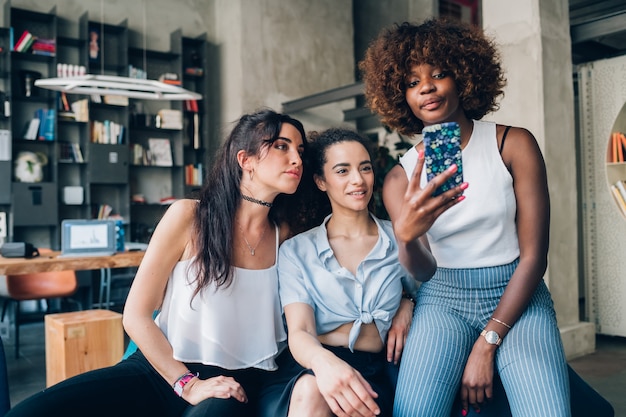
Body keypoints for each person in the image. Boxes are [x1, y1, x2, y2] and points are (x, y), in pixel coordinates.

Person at [359, 18, 614, 417]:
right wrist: (407, 239)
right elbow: (424, 272)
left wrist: (487, 342)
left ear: (463, 76)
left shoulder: (513, 144)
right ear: (400, 96)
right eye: (411, 82)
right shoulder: (399, 178)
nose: (426, 87)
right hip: (442, 299)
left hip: (516, 292)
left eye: (438, 73)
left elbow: (534, 258)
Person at [6, 108, 308, 417]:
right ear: (245, 160)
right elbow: (136, 315)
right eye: (282, 146)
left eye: (299, 150)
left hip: (233, 383)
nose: (296, 159)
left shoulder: (285, 236)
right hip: (160, 369)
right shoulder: (189, 216)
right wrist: (186, 383)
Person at [268, 127, 419, 417]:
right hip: (311, 365)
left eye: (365, 168)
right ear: (321, 181)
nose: (358, 180)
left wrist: (408, 303)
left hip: (377, 370)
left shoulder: (400, 239)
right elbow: (300, 331)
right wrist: (325, 364)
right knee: (312, 390)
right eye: (342, 171)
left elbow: (437, 291)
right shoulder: (297, 251)